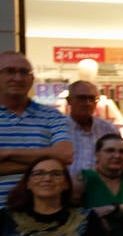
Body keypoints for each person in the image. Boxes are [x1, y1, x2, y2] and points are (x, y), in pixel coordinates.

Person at [0, 51, 74, 208]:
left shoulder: (52, 115)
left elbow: (65, 155)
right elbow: (58, 160)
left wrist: (7, 153)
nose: (18, 78)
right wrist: (47, 166)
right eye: (9, 71)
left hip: (42, 213)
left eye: (24, 72)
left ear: (32, 79)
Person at [64, 80, 118, 176]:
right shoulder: (57, 128)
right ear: (69, 101)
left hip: (101, 184)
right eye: (82, 98)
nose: (88, 103)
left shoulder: (108, 129)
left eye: (92, 99)